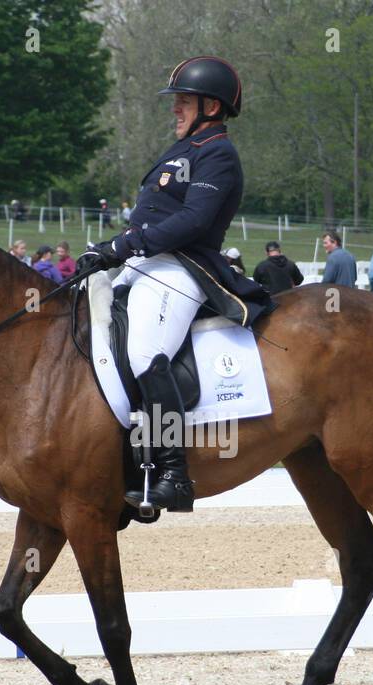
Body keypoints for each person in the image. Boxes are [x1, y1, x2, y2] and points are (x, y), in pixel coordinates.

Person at [89, 55, 274, 514]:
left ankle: (171, 473)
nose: (175, 109)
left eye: (184, 102)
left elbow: (194, 220)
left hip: (182, 268)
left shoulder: (218, 153)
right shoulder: (182, 150)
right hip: (147, 264)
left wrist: (126, 243)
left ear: (211, 107)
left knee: (146, 355)